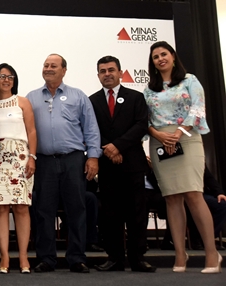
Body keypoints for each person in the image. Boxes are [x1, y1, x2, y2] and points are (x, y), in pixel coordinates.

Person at [144, 41, 221, 273]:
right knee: (171, 198)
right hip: (160, 142)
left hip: (186, 137)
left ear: (173, 57)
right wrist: (157, 134)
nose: (160, 59)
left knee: (193, 194)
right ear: (153, 63)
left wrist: (178, 133)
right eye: (156, 56)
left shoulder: (190, 80)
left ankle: (211, 254)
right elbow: (145, 119)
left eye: (164, 54)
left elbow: (197, 109)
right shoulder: (150, 88)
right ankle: (180, 254)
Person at [27, 54, 101, 274]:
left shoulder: (78, 96)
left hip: (73, 159)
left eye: (53, 66)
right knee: (43, 211)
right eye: (46, 65)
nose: (48, 68)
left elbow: (91, 129)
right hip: (44, 162)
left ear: (64, 70)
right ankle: (46, 259)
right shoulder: (31, 97)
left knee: (76, 209)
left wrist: (94, 157)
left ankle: (77, 257)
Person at [89, 56, 155, 272]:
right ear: (98, 75)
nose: (107, 74)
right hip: (107, 166)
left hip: (132, 164)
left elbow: (141, 125)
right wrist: (108, 150)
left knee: (137, 214)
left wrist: (117, 146)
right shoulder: (92, 101)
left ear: (120, 72)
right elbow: (91, 130)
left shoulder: (136, 97)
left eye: (111, 70)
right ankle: (115, 258)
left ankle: (137, 258)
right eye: (102, 71)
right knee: (110, 215)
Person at [0, 63, 37, 274]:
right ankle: (5, 257)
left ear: (14, 80)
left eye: (10, 76)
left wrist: (32, 157)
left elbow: (32, 132)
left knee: (21, 207)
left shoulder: (22, 102)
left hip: (20, 157)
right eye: (1, 76)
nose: (6, 80)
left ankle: (24, 257)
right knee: (0, 208)